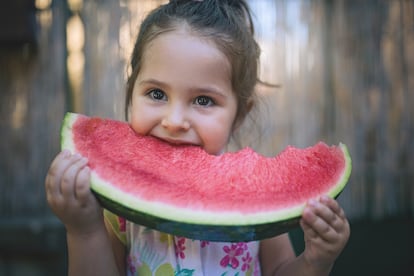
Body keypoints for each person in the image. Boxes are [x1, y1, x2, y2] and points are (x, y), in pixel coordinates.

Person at [45, 0, 350, 275]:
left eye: (203, 100)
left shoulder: (253, 198)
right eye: (156, 93)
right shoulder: (119, 212)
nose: (174, 121)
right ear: (131, 91)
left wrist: (315, 261)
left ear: (239, 114)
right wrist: (84, 231)